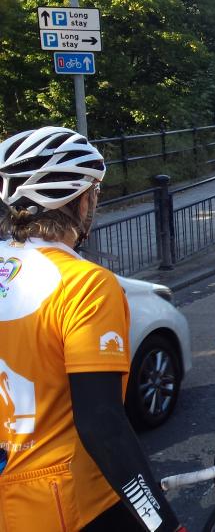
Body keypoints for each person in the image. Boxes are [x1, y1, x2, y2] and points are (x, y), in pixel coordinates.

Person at [0, 127, 184, 531]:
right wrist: (161, 522)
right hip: (65, 502)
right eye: (94, 194)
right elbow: (102, 423)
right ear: (82, 201)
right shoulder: (85, 283)